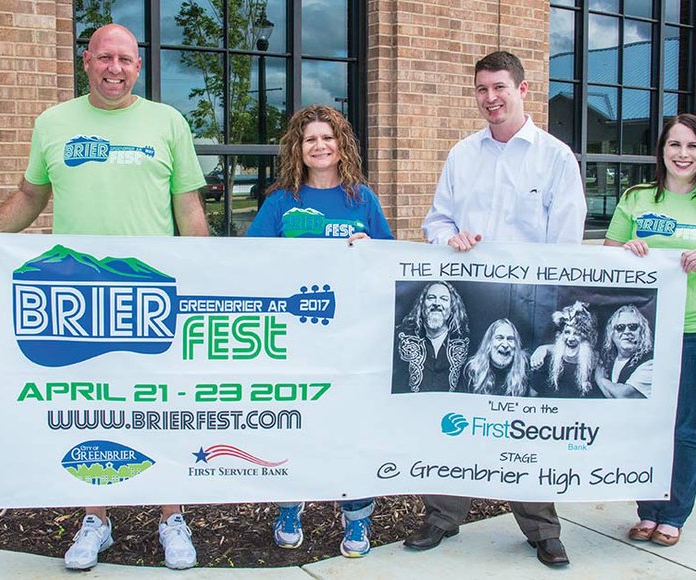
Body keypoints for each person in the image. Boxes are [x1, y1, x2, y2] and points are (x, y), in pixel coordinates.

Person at [0, 24, 208, 570]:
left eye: (125, 59)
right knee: (90, 408)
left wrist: (205, 270)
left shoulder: (167, 123)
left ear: (138, 66)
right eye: (104, 58)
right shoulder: (54, 122)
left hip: (151, 296)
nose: (114, 68)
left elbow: (188, 209)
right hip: (79, 298)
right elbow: (32, 193)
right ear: (86, 60)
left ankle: (170, 517)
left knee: (162, 407)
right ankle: (95, 518)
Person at [410, 50, 586, 567]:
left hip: (528, 306)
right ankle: (442, 516)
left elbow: (567, 244)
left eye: (499, 88)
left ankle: (542, 529)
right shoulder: (462, 154)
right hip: (468, 300)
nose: (490, 98)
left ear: (523, 89)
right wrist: (451, 236)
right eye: (482, 89)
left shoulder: (555, 157)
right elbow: (434, 221)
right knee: (456, 407)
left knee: (522, 415)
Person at [246, 104, 393, 557]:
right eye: (310, 139)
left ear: (341, 144)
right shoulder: (280, 202)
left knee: (351, 427)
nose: (320, 146)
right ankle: (291, 503)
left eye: (327, 137)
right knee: (298, 422)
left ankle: (356, 518)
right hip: (297, 339)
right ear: (298, 148)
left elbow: (390, 262)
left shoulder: (361, 200)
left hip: (351, 339)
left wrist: (370, 250)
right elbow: (246, 264)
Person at [604, 113, 696, 546]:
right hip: (643, 336)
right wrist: (628, 250)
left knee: (684, 425)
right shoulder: (637, 198)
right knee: (647, 421)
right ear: (661, 150)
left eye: (692, 147)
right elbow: (608, 258)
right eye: (674, 145)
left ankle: (674, 514)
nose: (682, 154)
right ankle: (647, 511)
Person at [392, 281, 470, 393]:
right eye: (431, 297)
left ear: (452, 307)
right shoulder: (400, 336)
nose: (437, 303)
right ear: (422, 304)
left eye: (444, 299)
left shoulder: (465, 342)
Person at [531, 301, 604, 399]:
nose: (570, 338)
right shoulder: (546, 361)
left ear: (586, 338)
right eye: (567, 332)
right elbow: (532, 396)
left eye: (577, 334)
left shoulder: (594, 365)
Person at [595, 305, 654, 399]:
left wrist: (600, 379)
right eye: (620, 327)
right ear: (612, 334)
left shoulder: (651, 362)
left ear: (642, 332)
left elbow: (624, 395)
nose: (627, 332)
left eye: (633, 327)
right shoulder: (608, 362)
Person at [462, 318, 530, 396]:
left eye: (510, 339)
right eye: (499, 338)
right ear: (489, 343)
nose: (505, 345)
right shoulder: (472, 370)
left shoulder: (525, 368)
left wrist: (545, 349)